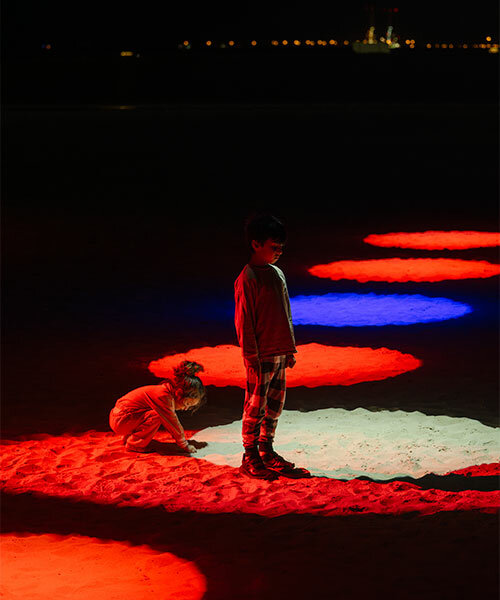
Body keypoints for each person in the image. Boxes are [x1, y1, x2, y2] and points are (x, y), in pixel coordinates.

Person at [234, 213, 309, 480]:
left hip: (279, 351)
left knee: (275, 404)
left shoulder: (277, 274)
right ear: (256, 244)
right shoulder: (248, 278)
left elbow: (286, 312)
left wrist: (290, 347)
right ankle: (250, 454)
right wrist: (250, 355)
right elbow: (244, 321)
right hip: (261, 354)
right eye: (273, 247)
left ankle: (266, 449)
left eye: (280, 248)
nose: (278, 253)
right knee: (256, 404)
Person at [109, 361, 206, 454]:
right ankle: (134, 444)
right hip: (121, 421)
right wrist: (184, 445)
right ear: (179, 393)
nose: (185, 408)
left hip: (119, 417)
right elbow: (172, 423)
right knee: (156, 415)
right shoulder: (163, 396)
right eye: (187, 404)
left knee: (151, 413)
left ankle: (129, 437)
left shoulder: (164, 390)